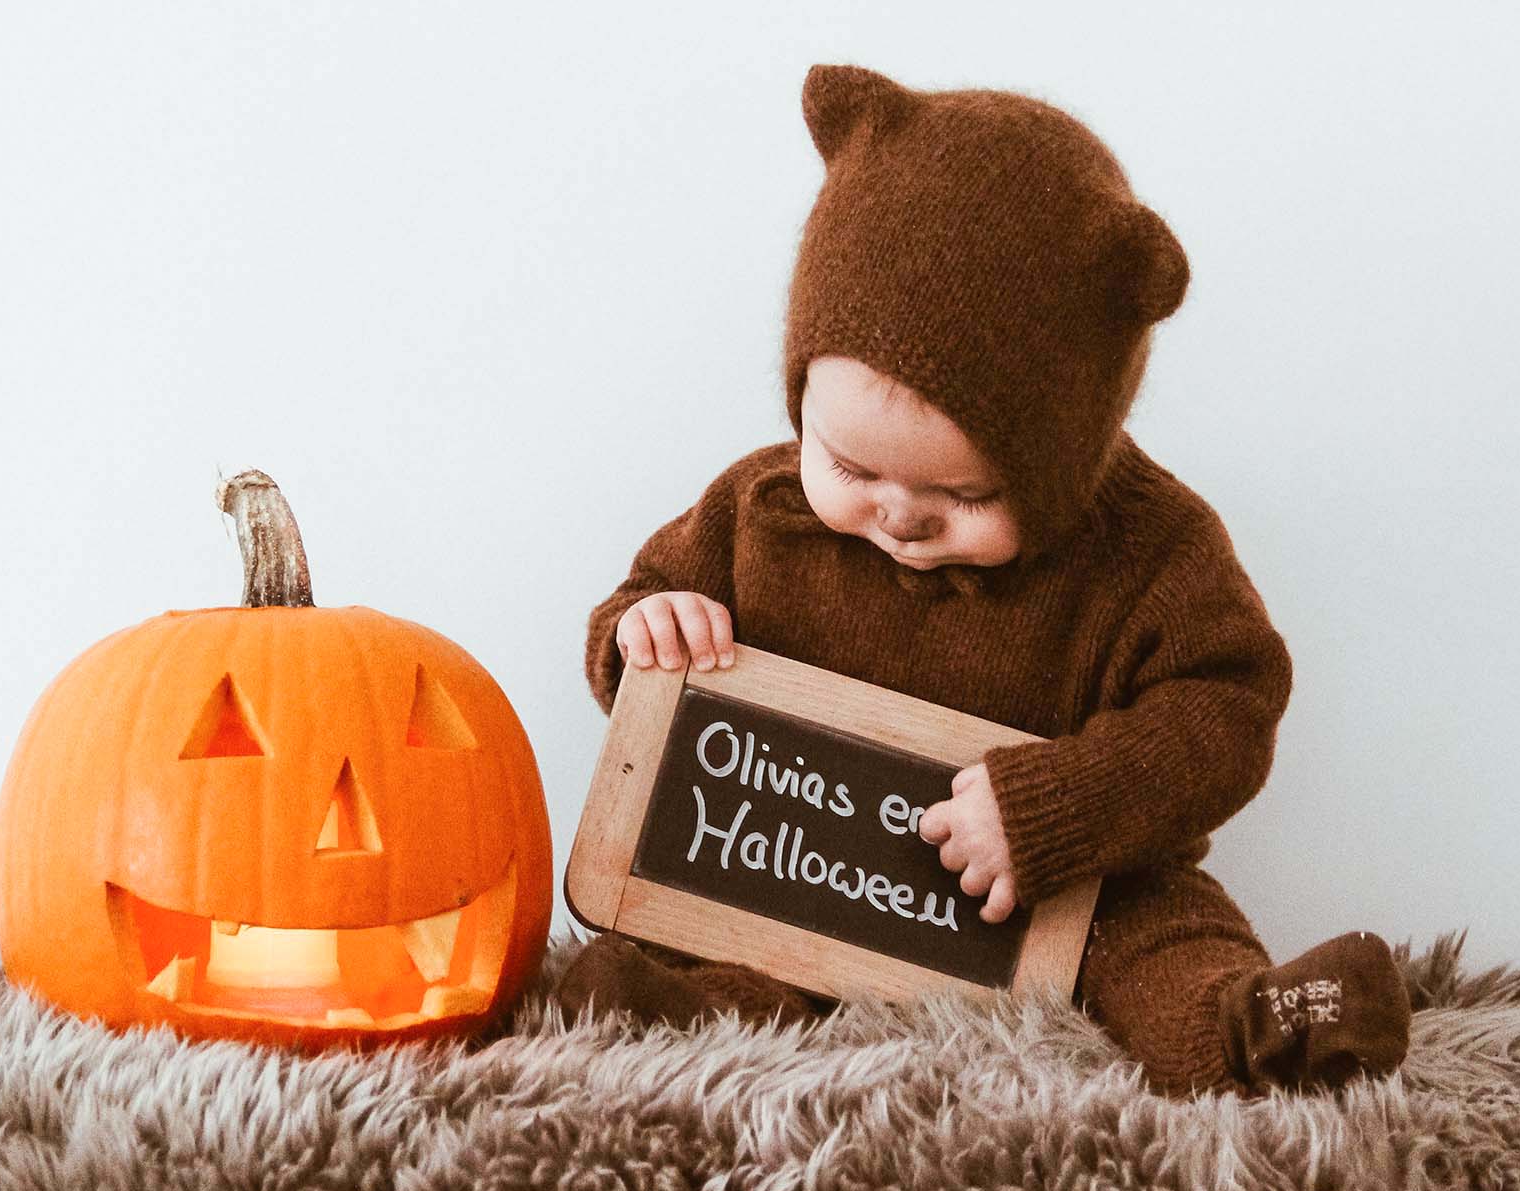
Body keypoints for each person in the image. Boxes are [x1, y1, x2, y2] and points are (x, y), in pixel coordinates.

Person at [548, 64, 1412, 1098]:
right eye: (853, 468)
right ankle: (654, 1011)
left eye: (965, 493)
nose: (900, 514)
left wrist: (1061, 809)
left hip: (1078, 886)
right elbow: (638, 621)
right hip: (808, 875)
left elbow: (1228, 707)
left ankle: (1256, 1029)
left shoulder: (1151, 552)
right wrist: (645, 629)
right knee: (745, 950)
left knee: (1163, 939)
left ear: (1069, 458)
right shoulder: (757, 510)